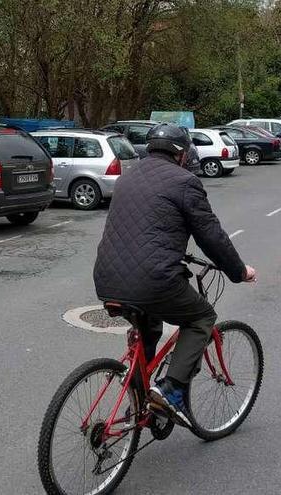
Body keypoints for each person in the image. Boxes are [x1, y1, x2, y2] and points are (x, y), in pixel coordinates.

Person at [93, 123, 256, 427]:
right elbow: (211, 236)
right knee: (201, 318)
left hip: (107, 278)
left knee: (150, 329)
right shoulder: (184, 182)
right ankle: (171, 389)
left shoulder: (128, 177)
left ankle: (138, 401)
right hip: (152, 280)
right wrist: (238, 271)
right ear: (183, 155)